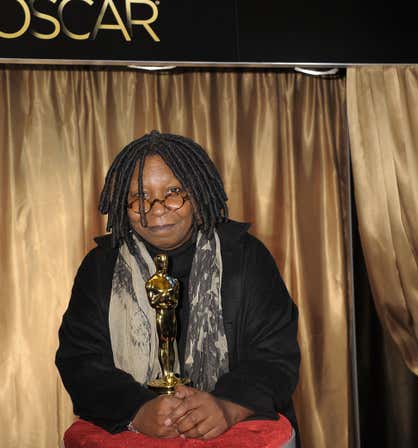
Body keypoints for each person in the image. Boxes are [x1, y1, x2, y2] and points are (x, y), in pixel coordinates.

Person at [55, 131, 300, 441]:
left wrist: (227, 406)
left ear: (196, 193)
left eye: (174, 191)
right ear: (123, 203)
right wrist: (137, 410)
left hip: (236, 429)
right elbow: (79, 360)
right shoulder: (100, 268)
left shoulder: (247, 257)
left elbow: (276, 356)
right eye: (140, 197)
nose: (157, 208)